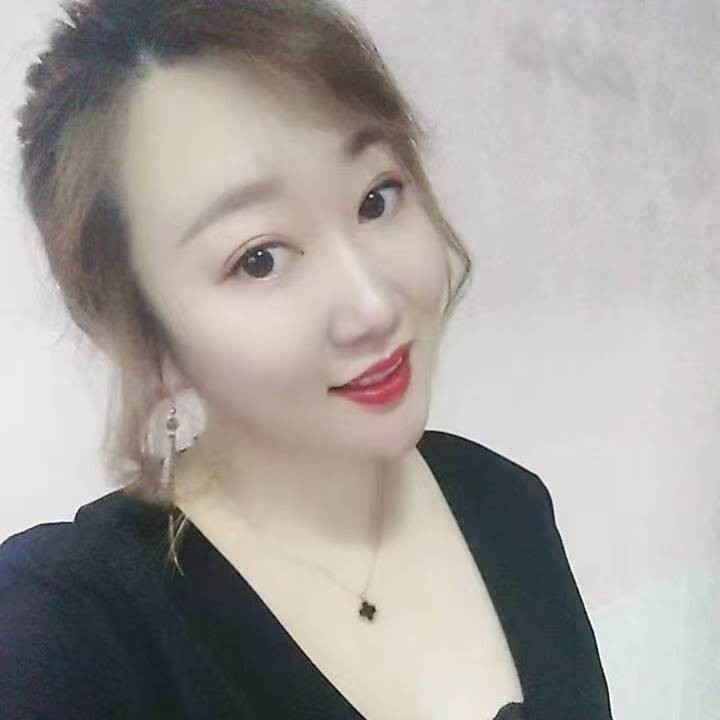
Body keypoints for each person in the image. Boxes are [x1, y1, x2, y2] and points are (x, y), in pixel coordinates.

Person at [0, 1, 613, 718]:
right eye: (259, 258)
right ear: (141, 332)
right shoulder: (71, 629)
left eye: (376, 199)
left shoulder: (509, 506)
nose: (373, 305)